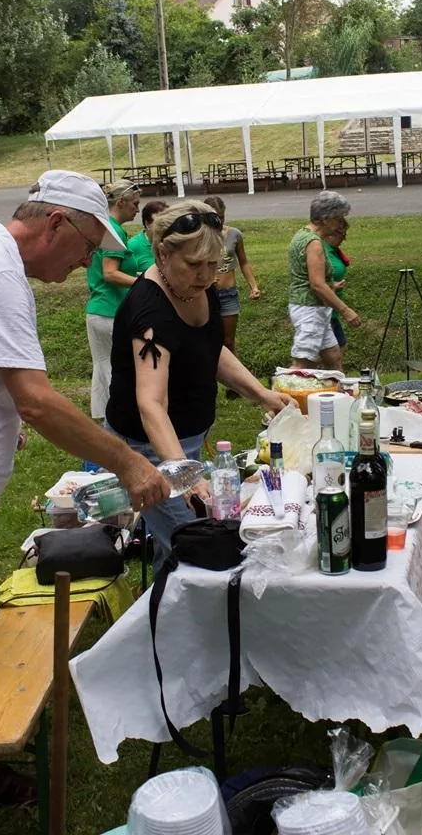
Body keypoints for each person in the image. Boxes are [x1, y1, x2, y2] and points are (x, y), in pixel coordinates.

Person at [0, 170, 170, 804]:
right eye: (84, 247)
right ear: (55, 224)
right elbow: (40, 402)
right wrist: (129, 465)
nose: (84, 264)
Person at [105, 199, 292, 571]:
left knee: (177, 545)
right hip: (148, 448)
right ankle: (179, 620)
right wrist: (184, 475)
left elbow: (211, 349)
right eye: (194, 265)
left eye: (213, 264)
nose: (206, 275)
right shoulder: (151, 311)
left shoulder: (193, 286)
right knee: (197, 543)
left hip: (184, 442)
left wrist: (262, 394)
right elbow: (151, 405)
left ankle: (164, 606)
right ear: (161, 252)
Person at [85, 180, 141, 421]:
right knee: (115, 367)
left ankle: (105, 416)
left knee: (103, 366)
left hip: (98, 308)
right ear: (121, 202)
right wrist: (142, 283)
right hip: (110, 310)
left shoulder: (104, 226)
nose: (138, 209)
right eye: (135, 204)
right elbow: (110, 273)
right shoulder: (114, 230)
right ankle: (118, 418)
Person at [287, 191, 361, 368]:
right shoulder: (314, 243)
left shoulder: (301, 234)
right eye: (338, 218)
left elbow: (306, 277)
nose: (339, 225)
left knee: (334, 356)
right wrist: (345, 310)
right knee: (301, 363)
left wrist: (331, 285)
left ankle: (338, 392)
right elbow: (317, 285)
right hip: (310, 310)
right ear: (326, 218)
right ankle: (278, 394)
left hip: (312, 308)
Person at [203, 196, 261, 394]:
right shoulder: (199, 236)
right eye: (214, 217)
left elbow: (243, 261)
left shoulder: (234, 234)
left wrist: (253, 285)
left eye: (221, 216)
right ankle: (206, 380)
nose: (218, 221)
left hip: (228, 293)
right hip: (206, 295)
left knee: (228, 341)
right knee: (207, 339)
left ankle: (235, 385)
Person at [324, 217, 350, 366]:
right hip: (322, 311)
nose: (344, 239)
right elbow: (313, 281)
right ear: (332, 234)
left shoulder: (333, 251)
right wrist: (331, 286)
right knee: (312, 359)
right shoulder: (321, 250)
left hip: (332, 311)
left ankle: (334, 381)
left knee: (340, 347)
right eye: (343, 235)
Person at [127, 199, 169, 274]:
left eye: (168, 222)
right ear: (147, 224)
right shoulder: (132, 246)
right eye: (160, 223)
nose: (166, 227)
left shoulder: (174, 241)